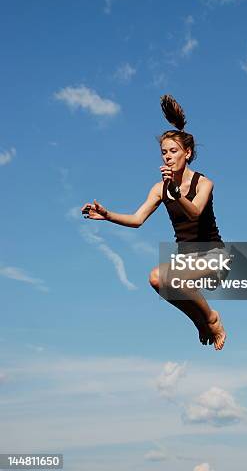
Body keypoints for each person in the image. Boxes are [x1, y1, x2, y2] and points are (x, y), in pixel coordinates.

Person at [81, 95, 227, 350]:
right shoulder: (160, 189)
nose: (168, 157)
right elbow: (137, 220)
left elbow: (194, 213)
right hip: (187, 262)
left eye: (173, 151)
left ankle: (212, 318)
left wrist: (175, 192)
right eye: (164, 153)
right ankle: (200, 322)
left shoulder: (204, 183)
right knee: (157, 279)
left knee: (173, 279)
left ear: (188, 153)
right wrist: (107, 215)